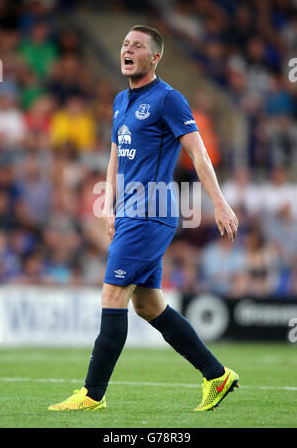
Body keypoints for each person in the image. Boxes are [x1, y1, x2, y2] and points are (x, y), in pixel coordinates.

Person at [48, 25, 239, 412]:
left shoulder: (169, 99)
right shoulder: (121, 99)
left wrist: (219, 203)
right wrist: (108, 205)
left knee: (113, 294)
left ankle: (91, 394)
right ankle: (217, 376)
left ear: (155, 58)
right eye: (124, 44)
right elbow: (116, 155)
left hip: (151, 212)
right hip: (131, 211)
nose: (127, 49)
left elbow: (198, 155)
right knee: (147, 305)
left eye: (137, 46)